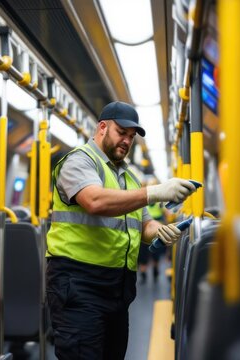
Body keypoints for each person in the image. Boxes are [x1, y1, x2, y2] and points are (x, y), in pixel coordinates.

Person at [45, 101, 197, 360]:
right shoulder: (80, 161)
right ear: (102, 128)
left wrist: (161, 231)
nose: (127, 141)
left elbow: (145, 224)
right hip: (79, 284)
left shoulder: (129, 178)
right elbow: (95, 201)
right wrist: (154, 192)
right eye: (121, 132)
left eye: (131, 137)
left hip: (118, 288)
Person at [138, 198, 166, 283]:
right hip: (156, 232)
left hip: (145, 232)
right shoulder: (159, 204)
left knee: (144, 255)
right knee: (155, 254)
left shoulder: (143, 204)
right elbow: (167, 214)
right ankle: (155, 272)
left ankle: (144, 274)